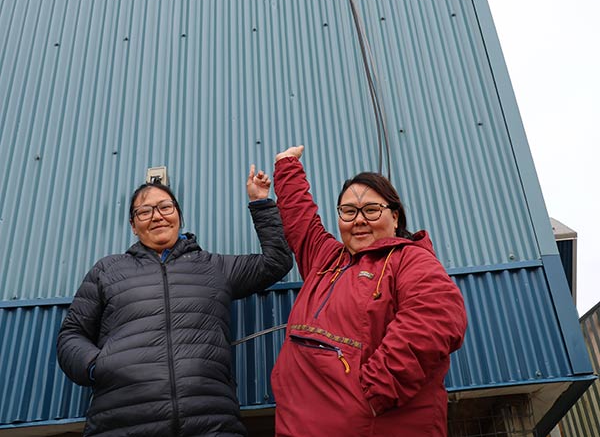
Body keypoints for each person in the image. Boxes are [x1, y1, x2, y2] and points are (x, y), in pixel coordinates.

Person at [57, 165, 293, 437]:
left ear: (179, 216)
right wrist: (98, 366)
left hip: (211, 421)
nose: (156, 217)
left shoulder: (213, 267)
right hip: (121, 421)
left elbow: (276, 262)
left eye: (165, 208)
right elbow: (71, 334)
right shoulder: (107, 270)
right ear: (133, 226)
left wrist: (261, 203)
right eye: (144, 211)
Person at [271, 145, 467, 437]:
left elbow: (436, 318)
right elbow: (301, 219)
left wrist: (373, 394)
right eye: (348, 212)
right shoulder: (325, 258)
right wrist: (286, 167)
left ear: (396, 217)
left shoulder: (410, 258)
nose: (359, 220)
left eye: (371, 210)